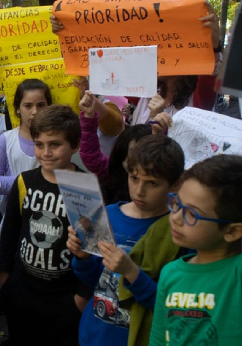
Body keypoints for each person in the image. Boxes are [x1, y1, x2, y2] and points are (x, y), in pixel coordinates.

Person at [67, 135, 185, 346]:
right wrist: (83, 257)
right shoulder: (108, 214)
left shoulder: (177, 233)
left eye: (152, 183)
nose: (140, 190)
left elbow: (169, 306)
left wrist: (131, 272)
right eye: (134, 178)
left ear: (175, 184)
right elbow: (96, 281)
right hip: (94, 334)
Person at [0, 105, 83, 346]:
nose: (46, 152)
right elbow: (10, 233)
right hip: (24, 292)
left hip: (65, 298)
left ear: (75, 145)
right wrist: (6, 281)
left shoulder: (85, 188)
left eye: (55, 144)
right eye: (39, 144)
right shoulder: (25, 181)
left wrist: (81, 297)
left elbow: (95, 251)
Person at [150, 155, 242, 345]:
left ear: (233, 231)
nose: (175, 218)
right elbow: (158, 338)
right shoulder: (170, 273)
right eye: (176, 203)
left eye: (192, 213)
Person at [0, 79, 50, 257]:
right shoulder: (6, 140)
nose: (35, 112)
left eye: (41, 105)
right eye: (28, 105)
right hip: (15, 217)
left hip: (48, 219)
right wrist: (27, 181)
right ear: (17, 109)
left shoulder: (56, 143)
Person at [79, 90, 153, 204]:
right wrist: (89, 117)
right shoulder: (113, 171)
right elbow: (91, 156)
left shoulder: (159, 175)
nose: (137, 162)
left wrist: (158, 123)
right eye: (131, 154)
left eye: (143, 154)